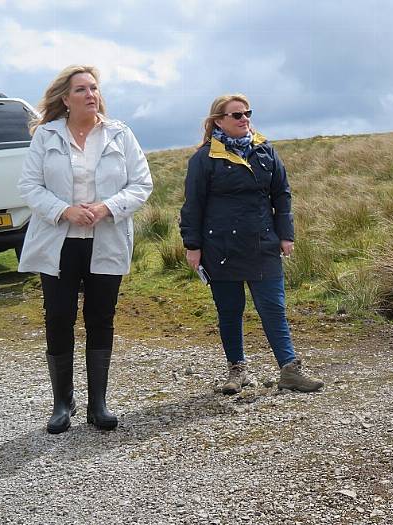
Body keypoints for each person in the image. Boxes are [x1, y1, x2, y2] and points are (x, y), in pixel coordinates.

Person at [18, 65, 153, 433]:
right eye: (81, 89)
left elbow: (142, 183)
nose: (90, 94)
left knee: (100, 317)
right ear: (65, 98)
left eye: (94, 88)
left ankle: (98, 403)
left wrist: (108, 207)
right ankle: (63, 402)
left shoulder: (119, 134)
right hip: (58, 243)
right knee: (59, 316)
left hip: (105, 240)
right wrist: (65, 211)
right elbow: (29, 186)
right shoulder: (46, 136)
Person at [180, 94, 323, 395]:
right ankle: (237, 371)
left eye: (246, 113)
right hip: (220, 248)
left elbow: (281, 195)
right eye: (236, 115)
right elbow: (192, 206)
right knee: (230, 310)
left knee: (273, 308)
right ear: (218, 121)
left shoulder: (265, 150)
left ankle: (289, 370)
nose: (244, 118)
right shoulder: (204, 159)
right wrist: (193, 246)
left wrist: (286, 235)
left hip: (263, 244)